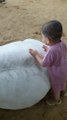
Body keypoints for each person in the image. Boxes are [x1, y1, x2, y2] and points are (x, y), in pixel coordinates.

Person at [29, 20, 67, 105]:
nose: (42, 38)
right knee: (64, 82)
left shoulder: (52, 51)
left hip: (57, 74)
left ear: (48, 40)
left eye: (42, 37)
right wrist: (48, 49)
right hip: (65, 69)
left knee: (56, 88)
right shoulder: (62, 43)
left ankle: (56, 100)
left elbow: (44, 63)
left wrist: (36, 54)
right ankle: (64, 93)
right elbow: (61, 52)